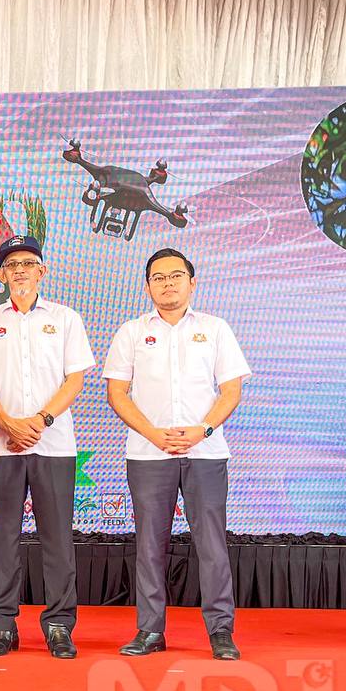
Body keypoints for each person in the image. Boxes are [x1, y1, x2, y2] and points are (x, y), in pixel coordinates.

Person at [104, 247, 251, 660]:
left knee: (212, 545)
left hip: (205, 452)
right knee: (150, 545)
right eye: (158, 277)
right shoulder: (131, 332)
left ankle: (221, 631)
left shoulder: (215, 329)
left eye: (175, 276)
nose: (167, 283)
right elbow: (117, 393)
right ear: (147, 286)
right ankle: (150, 630)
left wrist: (203, 429)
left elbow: (231, 390)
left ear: (192, 282)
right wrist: (153, 434)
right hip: (148, 454)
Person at [0, 235, 94, 658]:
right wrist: (7, 423)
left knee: (57, 539)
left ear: (42, 271)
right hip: (1, 445)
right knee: (3, 539)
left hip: (52, 444)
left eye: (27, 263)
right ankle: (2, 626)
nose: (19, 270)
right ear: (1, 274)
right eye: (11, 265)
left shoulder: (66, 318)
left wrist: (39, 421)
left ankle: (59, 625)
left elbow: (74, 379)